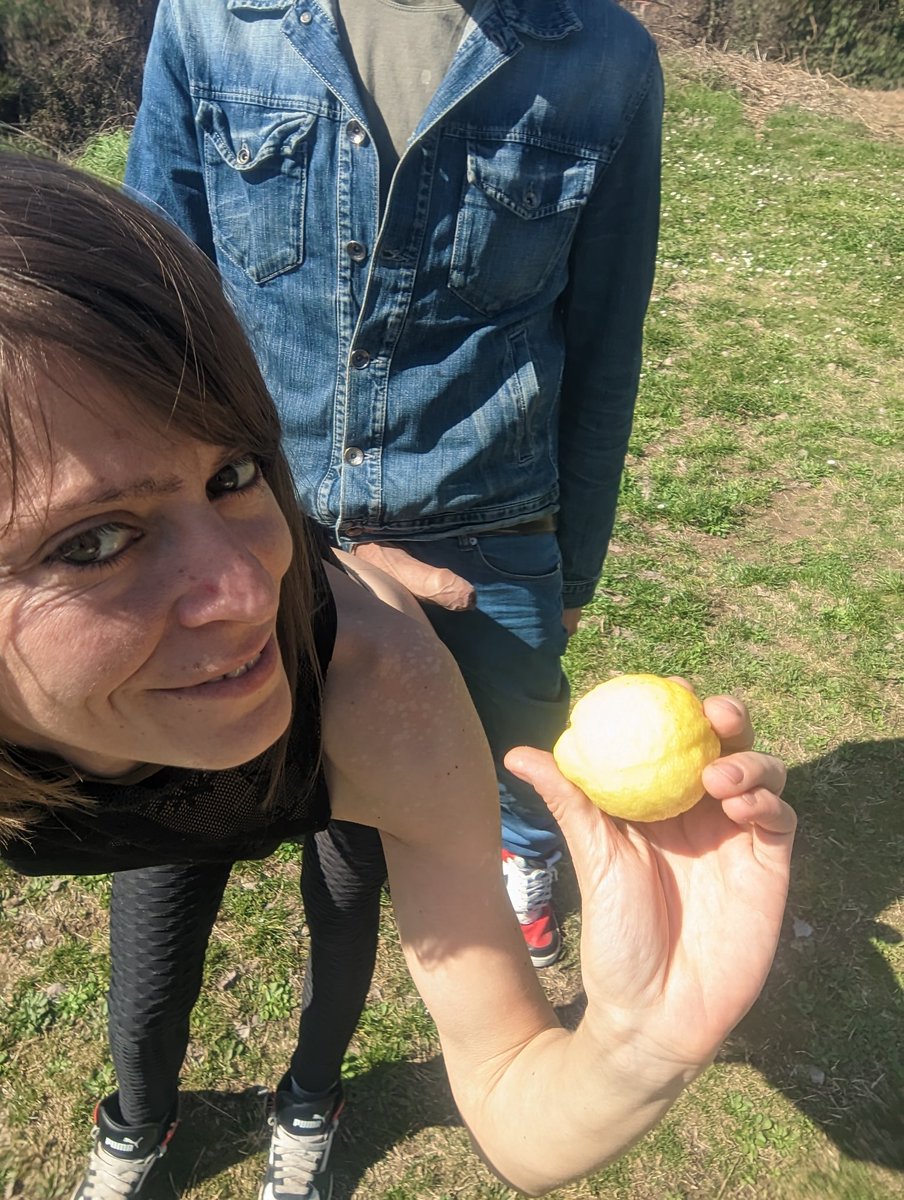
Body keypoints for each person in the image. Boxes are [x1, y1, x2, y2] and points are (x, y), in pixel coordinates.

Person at [0, 154, 794, 1200]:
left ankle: (311, 1099)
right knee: (151, 973)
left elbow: (515, 1101)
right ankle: (137, 1123)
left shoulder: (379, 687)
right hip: (178, 789)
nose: (248, 587)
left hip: (331, 746)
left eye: (235, 474)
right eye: (95, 542)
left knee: (346, 923)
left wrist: (639, 1046)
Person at [123, 0, 665, 966]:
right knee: (260, 788)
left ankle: (526, 862)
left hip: (492, 523)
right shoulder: (212, 19)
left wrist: (574, 566)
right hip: (270, 517)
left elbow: (605, 343)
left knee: (522, 754)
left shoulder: (605, 56)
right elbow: (157, 307)